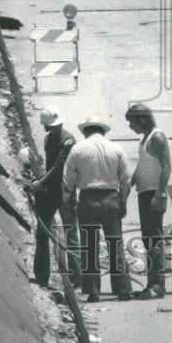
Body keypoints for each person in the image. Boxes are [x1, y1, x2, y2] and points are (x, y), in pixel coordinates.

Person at [62, 117, 133, 303]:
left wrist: (67, 204)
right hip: (111, 198)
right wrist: (123, 203)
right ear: (103, 131)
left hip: (87, 199)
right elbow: (125, 180)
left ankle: (93, 291)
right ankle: (123, 289)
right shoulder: (116, 148)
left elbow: (68, 181)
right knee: (115, 244)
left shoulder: (78, 149)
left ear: (86, 131)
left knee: (90, 246)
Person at [23, 106, 80, 290]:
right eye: (52, 126)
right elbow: (49, 167)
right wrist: (39, 182)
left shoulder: (69, 141)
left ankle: (76, 279)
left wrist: (40, 183)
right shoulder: (48, 139)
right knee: (42, 231)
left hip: (65, 191)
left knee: (70, 233)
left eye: (57, 125)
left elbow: (58, 167)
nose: (56, 128)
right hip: (50, 191)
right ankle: (42, 276)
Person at [125, 102, 171, 300]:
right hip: (144, 193)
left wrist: (159, 194)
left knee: (154, 240)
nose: (130, 127)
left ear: (142, 119)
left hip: (153, 193)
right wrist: (130, 184)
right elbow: (143, 166)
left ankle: (157, 286)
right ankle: (152, 283)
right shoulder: (145, 139)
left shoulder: (157, 137)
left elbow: (167, 167)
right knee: (148, 239)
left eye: (132, 122)